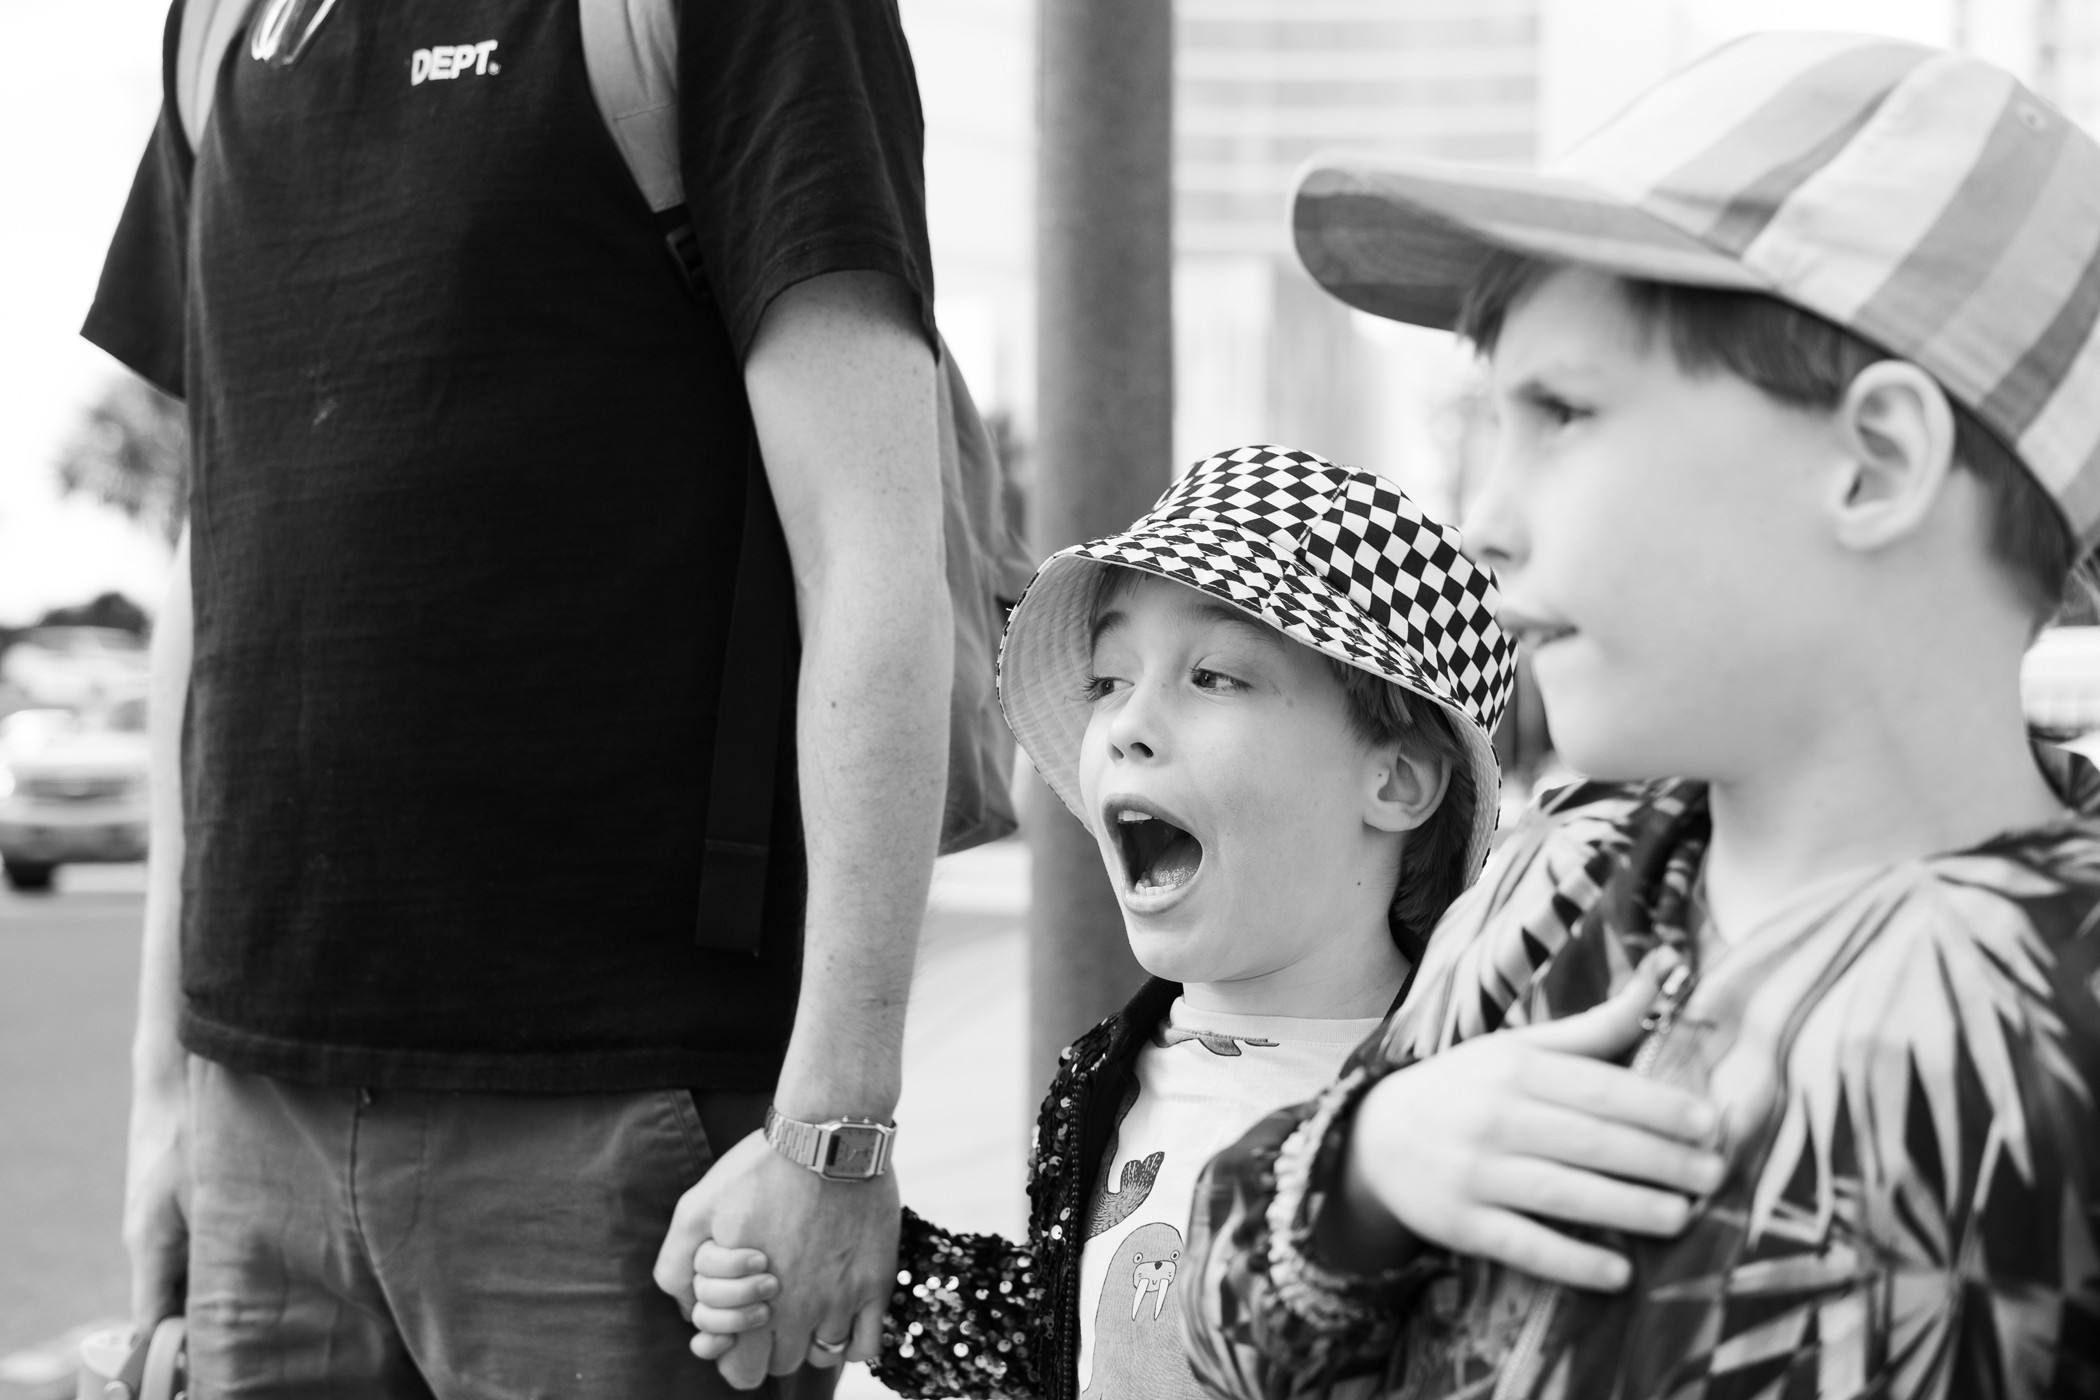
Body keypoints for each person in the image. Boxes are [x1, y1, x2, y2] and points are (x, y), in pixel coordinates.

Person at [1182, 32, 2100, 1400]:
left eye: (1559, 412)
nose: (1484, 519)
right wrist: (1366, 1173)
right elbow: (1232, 1332)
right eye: (1486, 421)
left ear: (1876, 461)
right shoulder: (1559, 886)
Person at [83, 1, 950, 1395]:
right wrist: (160, 1092)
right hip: (259, 1118)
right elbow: (220, 539)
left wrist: (836, 1131)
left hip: (623, 1124)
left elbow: (873, 547)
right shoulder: (221, 23)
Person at [671, 445, 1517, 1399]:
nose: (1123, 726)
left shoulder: (1469, 1098)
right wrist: (877, 1272)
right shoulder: (1106, 1077)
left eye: (1214, 677)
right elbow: (1062, 1339)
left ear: (1396, 779)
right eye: (1108, 682)